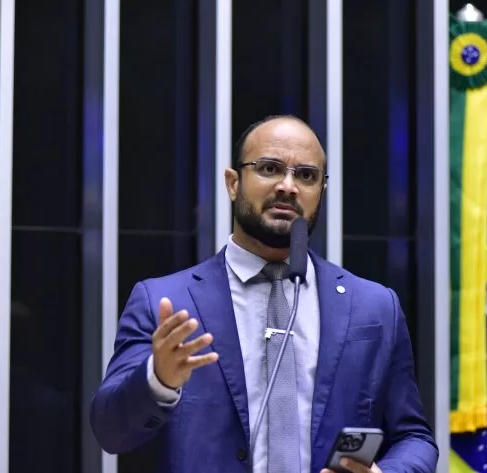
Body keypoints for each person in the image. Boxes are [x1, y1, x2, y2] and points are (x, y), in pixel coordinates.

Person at [89, 115, 438, 473]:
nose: (288, 186)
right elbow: (110, 433)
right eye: (269, 168)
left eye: (306, 175)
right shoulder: (165, 302)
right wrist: (158, 379)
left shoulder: (374, 307)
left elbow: (414, 438)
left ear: (321, 193)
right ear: (232, 183)